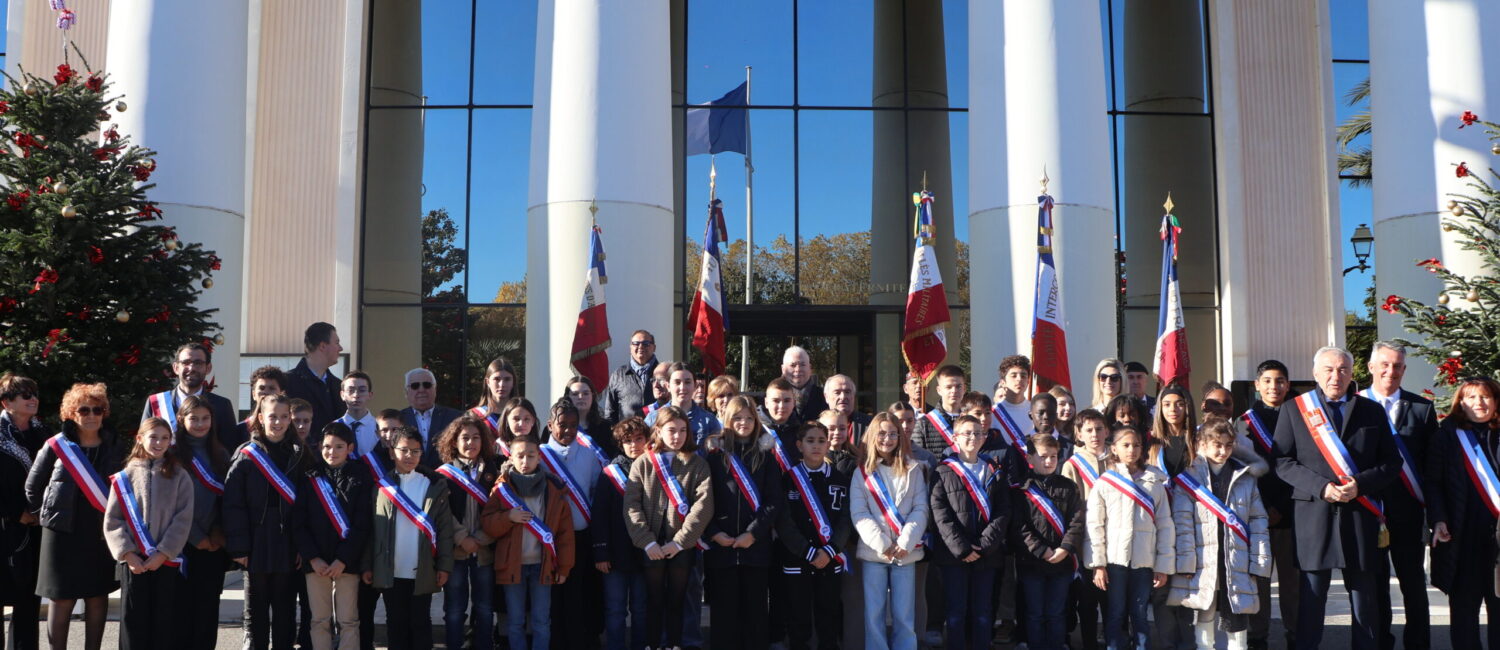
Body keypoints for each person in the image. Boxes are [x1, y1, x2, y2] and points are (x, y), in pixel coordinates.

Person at [1273, 346, 1400, 649]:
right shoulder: (1295, 409)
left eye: (1343, 369)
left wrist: (1360, 484)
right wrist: (1321, 487)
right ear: (1316, 373)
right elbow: (1281, 461)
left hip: (1360, 515)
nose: (1336, 376)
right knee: (1312, 600)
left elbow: (1391, 463)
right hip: (1314, 516)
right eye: (1328, 369)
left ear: (1352, 373)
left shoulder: (1371, 410)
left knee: (1364, 601)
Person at [27, 382, 124, 650]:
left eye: (98, 409)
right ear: (71, 413)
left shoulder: (115, 446)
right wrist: (44, 516)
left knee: (97, 595)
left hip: (100, 530)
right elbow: (32, 487)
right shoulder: (56, 445)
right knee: (61, 597)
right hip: (61, 533)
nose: (91, 415)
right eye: (84, 409)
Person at [1166, 417, 1271, 650]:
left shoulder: (1246, 478)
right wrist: (1185, 563)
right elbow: (1182, 525)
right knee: (1205, 611)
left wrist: (1260, 563)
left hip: (1237, 559)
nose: (1223, 451)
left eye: (1228, 444)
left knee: (1237, 613)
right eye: (1217, 444)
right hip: (1203, 561)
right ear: (1202, 444)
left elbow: (1258, 521)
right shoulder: (1190, 478)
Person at [1359, 342, 1438, 650]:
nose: (1391, 371)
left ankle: (1418, 644)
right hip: (1369, 510)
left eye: (1398, 366)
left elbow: (1432, 466)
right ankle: (1381, 643)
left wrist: (1434, 514)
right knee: (1375, 587)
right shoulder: (1355, 405)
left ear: (1404, 369)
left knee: (1414, 586)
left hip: (1408, 512)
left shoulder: (1422, 408)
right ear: (1371, 367)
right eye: (1385, 364)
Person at [625, 406, 713, 650]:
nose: (677, 436)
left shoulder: (698, 464)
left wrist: (681, 541)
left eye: (683, 430)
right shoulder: (642, 464)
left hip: (681, 546)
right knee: (653, 601)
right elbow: (631, 505)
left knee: (677, 601)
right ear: (658, 430)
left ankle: (674, 645)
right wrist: (647, 541)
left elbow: (703, 506)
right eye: (671, 430)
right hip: (651, 545)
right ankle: (653, 645)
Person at [225, 394, 309, 650]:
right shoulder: (246, 454)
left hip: (288, 537)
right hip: (256, 537)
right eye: (273, 416)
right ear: (260, 418)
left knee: (285, 604)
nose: (279, 422)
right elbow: (232, 504)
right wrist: (239, 547)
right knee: (256, 604)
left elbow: (308, 504)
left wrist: (303, 546)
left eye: (285, 417)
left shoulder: (299, 453)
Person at [703, 395, 785, 650]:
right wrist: (714, 533)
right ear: (727, 419)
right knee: (724, 616)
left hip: (756, 549)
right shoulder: (714, 457)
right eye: (737, 417)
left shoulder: (766, 456)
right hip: (722, 548)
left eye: (750, 418)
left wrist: (753, 534)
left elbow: (774, 501)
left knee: (755, 615)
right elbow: (703, 500)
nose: (744, 422)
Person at [104, 416, 194, 649]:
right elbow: (113, 519)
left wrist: (163, 553)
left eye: (165, 438)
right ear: (140, 438)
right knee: (133, 621)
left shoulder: (179, 475)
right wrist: (127, 553)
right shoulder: (125, 477)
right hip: (134, 563)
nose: (159, 443)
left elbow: (183, 519)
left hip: (165, 562)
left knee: (163, 621)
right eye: (153, 437)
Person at [363, 428, 455, 650]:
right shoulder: (381, 486)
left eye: (415, 451)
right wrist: (367, 565)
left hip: (422, 568)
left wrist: (444, 565)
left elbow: (444, 529)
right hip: (390, 569)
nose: (409, 456)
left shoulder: (433, 484)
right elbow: (371, 531)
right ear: (392, 452)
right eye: (403, 450)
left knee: (420, 623)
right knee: (396, 623)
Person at [1425, 376, 1500, 648]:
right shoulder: (1446, 436)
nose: (1479, 403)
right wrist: (1439, 519)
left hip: (1499, 540)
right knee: (1465, 613)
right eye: (1471, 397)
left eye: (1485, 397)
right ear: (1461, 402)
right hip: (1462, 536)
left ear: (1495, 400)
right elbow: (1433, 482)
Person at [484, 434, 575, 650]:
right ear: (511, 458)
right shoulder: (502, 488)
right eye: (520, 456)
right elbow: (487, 523)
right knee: (515, 622)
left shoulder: (553, 489)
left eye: (531, 456)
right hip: (512, 565)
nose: (525, 461)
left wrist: (564, 566)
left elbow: (564, 533)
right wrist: (508, 518)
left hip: (542, 567)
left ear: (539, 457)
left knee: (541, 622)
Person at [1087, 424, 1174, 650]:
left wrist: (1162, 565)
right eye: (1125, 445)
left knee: (1140, 614)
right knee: (1115, 613)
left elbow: (1165, 525)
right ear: (1114, 448)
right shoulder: (1105, 483)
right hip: (1114, 563)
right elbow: (1094, 525)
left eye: (1136, 445)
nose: (1131, 450)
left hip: (1144, 563)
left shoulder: (1155, 482)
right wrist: (1098, 564)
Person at [929, 415, 1011, 650]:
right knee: (956, 610)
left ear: (985, 437)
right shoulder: (943, 471)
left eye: (978, 433)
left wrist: (985, 545)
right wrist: (963, 547)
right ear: (954, 438)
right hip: (954, 555)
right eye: (967, 433)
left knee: (983, 611)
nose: (973, 437)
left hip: (987, 554)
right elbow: (940, 513)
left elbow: (1003, 510)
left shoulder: (994, 469)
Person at [850, 412, 928, 650]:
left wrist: (904, 543)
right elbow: (859, 514)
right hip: (876, 553)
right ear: (873, 436)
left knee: (904, 615)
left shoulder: (914, 469)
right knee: (874, 614)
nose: (887, 438)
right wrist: (883, 544)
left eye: (893, 433)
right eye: (882, 433)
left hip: (906, 554)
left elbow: (920, 508)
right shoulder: (860, 473)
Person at [1235, 359, 1298, 649]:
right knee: (1259, 578)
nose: (1275, 386)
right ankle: (1258, 634)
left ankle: (1295, 632)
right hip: (1258, 513)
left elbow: (1303, 464)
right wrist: (1266, 506)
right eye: (1268, 381)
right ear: (1257, 386)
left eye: (1280, 381)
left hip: (1291, 511)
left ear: (1288, 385)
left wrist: (1282, 506)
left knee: (1292, 581)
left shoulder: (1301, 416)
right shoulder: (1244, 423)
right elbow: (1243, 470)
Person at [294, 423, 372, 650]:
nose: (332, 451)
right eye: (327, 446)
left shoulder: (361, 477)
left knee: (348, 620)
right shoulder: (310, 477)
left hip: (347, 564)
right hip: (316, 564)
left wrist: (343, 560)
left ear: (350, 448)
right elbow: (299, 524)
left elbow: (362, 524)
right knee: (319, 620)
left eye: (339, 446)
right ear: (319, 447)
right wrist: (313, 558)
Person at [776, 421, 852, 650]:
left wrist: (829, 551)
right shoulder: (787, 479)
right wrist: (807, 551)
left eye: (821, 441)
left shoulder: (839, 479)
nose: (816, 446)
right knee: (798, 616)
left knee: (828, 614)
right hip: (797, 559)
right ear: (799, 445)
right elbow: (783, 522)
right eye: (810, 441)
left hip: (829, 560)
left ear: (829, 444)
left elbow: (846, 520)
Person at [539, 398, 605, 648]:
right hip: (549, 538)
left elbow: (594, 492)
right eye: (562, 425)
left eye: (573, 425)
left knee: (579, 594)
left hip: (580, 536)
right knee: (552, 596)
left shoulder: (589, 456)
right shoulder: (540, 455)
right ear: (549, 425)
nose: (567, 430)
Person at [432, 415, 499, 650]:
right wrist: (462, 538)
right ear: (454, 442)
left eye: (476, 437)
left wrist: (479, 539)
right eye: (465, 438)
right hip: (456, 553)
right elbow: (442, 512)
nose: (470, 442)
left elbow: (500, 508)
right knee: (454, 609)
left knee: (484, 607)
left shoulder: (495, 470)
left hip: (484, 552)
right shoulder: (444, 473)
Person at [1012, 433, 1084, 650]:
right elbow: (1019, 527)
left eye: (1054, 456)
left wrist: (1065, 549)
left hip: (1061, 564)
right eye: (1043, 456)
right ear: (1030, 458)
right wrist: (1041, 550)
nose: (1049, 461)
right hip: (1031, 562)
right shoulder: (1021, 490)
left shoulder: (1069, 487)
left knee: (1056, 612)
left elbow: (1077, 522)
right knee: (1034, 613)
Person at [173, 395, 233, 650]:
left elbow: (228, 499)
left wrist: (217, 533)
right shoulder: (172, 454)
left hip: (213, 545)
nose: (200, 424)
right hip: (181, 544)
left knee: (208, 611)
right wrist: (196, 537)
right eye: (193, 418)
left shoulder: (221, 453)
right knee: (181, 611)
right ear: (181, 420)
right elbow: (172, 504)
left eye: (205, 418)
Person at [593, 418, 651, 650]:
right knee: (615, 610)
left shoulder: (656, 469)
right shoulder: (610, 474)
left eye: (639, 439)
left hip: (645, 553)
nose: (634, 445)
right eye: (627, 441)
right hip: (615, 555)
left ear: (647, 440)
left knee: (641, 608)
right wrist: (601, 553)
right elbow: (599, 515)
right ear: (620, 444)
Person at [0, 374, 48, 650]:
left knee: (29, 598)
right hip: (5, 526)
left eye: (34, 394)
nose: (33, 399)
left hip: (36, 527)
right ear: (7, 402)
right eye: (25, 395)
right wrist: (16, 512)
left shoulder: (43, 432)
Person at [1060, 409, 1109, 650]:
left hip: (1115, 540)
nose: (1094, 434)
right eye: (1088, 430)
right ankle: (1089, 643)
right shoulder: (1072, 465)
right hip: (1086, 542)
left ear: (1107, 431)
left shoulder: (1117, 459)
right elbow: (1069, 507)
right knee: (1087, 600)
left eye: (1099, 429)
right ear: (1078, 433)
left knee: (1113, 603)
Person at [140, 342, 241, 449]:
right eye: (186, 362)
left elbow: (229, 449)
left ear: (208, 368)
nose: (192, 368)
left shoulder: (222, 405)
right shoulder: (156, 402)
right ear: (176, 368)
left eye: (198, 363)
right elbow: (143, 445)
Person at [284, 322, 346, 437]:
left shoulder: (339, 385)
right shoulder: (287, 382)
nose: (340, 348)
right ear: (322, 346)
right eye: (337, 343)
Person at [646, 362, 722, 446]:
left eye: (687, 382)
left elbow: (717, 454)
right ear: (668, 386)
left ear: (695, 385)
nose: (682, 387)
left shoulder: (709, 421)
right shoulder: (653, 419)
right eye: (677, 382)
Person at [400, 367, 462, 468]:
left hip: (445, 479)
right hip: (409, 480)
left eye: (427, 385)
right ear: (406, 392)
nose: (421, 390)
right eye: (415, 386)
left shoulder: (455, 417)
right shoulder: (398, 419)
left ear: (435, 389)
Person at [602, 330, 660, 424]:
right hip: (629, 436)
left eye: (646, 343)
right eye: (636, 343)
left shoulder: (665, 373)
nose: (641, 347)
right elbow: (610, 413)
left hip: (657, 435)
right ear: (630, 348)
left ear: (654, 347)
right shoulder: (618, 375)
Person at [912, 365, 968, 457]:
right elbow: (917, 461)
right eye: (948, 387)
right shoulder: (923, 424)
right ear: (939, 390)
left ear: (964, 389)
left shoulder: (973, 420)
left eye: (958, 386)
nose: (954, 391)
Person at [566, 375, 619, 460]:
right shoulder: (556, 428)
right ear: (567, 397)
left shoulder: (606, 428)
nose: (581, 397)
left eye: (586, 393)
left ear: (593, 396)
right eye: (575, 394)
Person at [1151, 383, 1198, 477]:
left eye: (1179, 404)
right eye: (1167, 404)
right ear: (1160, 408)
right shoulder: (1151, 440)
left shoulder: (1198, 439)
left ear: (1187, 407)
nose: (1173, 409)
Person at [237, 365, 290, 444]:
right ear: (254, 394)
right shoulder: (239, 431)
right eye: (261, 388)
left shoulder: (291, 429)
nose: (266, 392)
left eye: (271, 388)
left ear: (282, 393)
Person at [470, 357, 520, 437]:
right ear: (488, 382)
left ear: (513, 382)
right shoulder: (474, 416)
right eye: (497, 379)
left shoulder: (523, 416)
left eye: (507, 379)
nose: (502, 384)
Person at [333, 371, 379, 458]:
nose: (356, 395)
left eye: (362, 390)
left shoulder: (379, 427)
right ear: (342, 395)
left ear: (370, 395)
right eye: (351, 390)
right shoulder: (333, 428)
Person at [993, 355, 1037, 441]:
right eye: (1013, 376)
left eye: (1023, 376)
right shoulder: (993, 413)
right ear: (1003, 382)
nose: (1019, 379)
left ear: (1028, 381)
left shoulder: (1035, 411)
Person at [782, 346, 830, 421]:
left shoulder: (825, 398)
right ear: (783, 369)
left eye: (802, 365)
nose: (798, 370)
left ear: (810, 368)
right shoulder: (775, 398)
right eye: (793, 365)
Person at [760, 378, 805, 459]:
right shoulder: (755, 428)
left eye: (787, 401)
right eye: (776, 401)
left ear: (794, 403)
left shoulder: (803, 431)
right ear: (766, 403)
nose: (782, 406)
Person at [825, 374, 871, 443]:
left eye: (847, 392)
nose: (843, 397)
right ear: (826, 397)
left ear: (854, 396)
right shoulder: (818, 426)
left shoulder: (870, 424)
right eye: (837, 393)